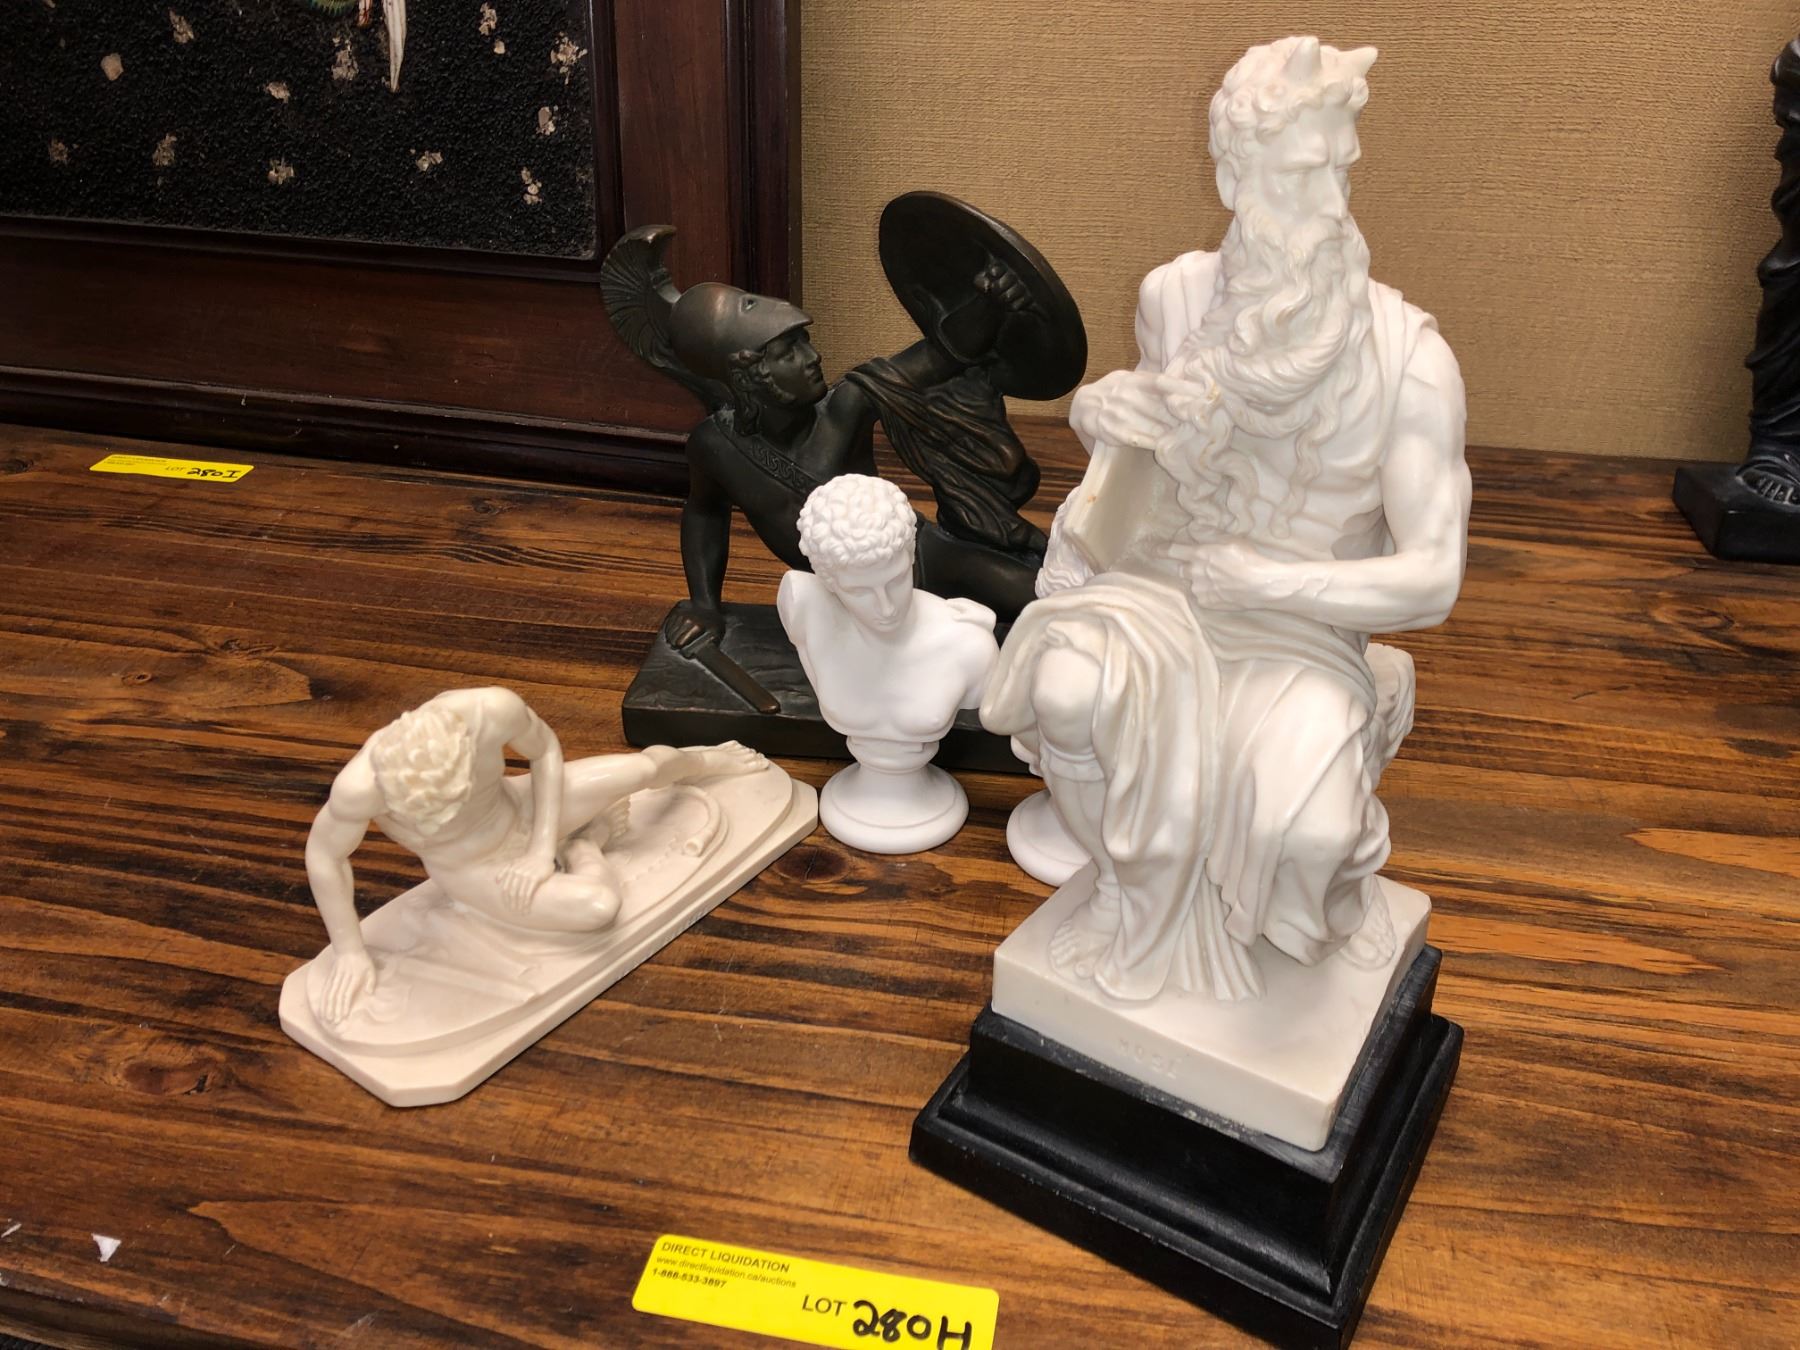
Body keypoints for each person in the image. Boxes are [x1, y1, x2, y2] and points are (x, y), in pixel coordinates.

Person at [982, 37, 1471, 1003]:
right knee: (1065, 690)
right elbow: (1144, 468)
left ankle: (1360, 719)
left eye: (1340, 170)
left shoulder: (1410, 359)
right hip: (1162, 594)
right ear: (1232, 177)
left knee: (1314, 840)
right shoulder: (1174, 299)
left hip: (1299, 626)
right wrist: (1100, 413)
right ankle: (1125, 896)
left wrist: (1272, 581)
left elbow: (1433, 577)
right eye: (1300, 175)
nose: (1331, 204)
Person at [303, 687, 765, 1023]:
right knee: (598, 907)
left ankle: (707, 760)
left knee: (642, 768)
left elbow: (544, 752)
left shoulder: (489, 710)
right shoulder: (358, 790)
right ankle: (586, 844)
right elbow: (324, 857)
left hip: (524, 806)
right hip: (476, 868)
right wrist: (349, 951)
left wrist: (541, 851)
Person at [664, 260, 1042, 648]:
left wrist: (988, 306)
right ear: (745, 376)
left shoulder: (845, 408)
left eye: (804, 341)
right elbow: (705, 512)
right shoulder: (715, 447)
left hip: (916, 562)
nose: (813, 357)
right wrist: (704, 605)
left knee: (1042, 598)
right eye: (789, 352)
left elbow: (936, 357)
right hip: (838, 596)